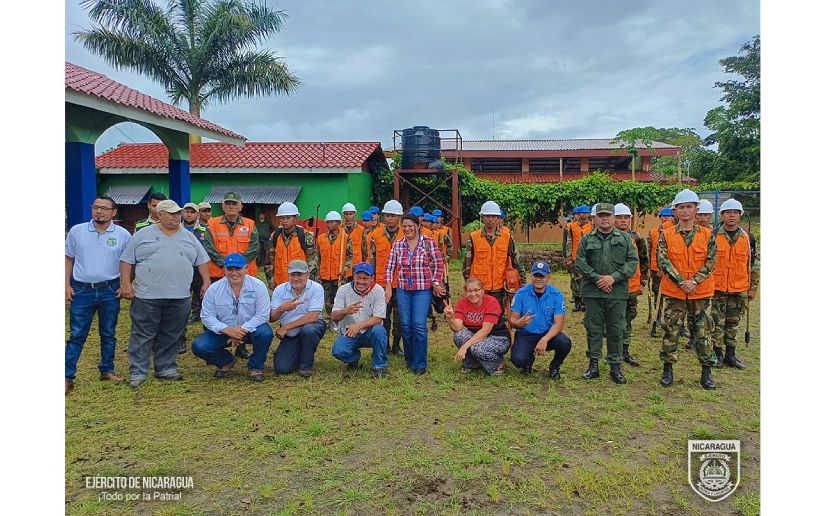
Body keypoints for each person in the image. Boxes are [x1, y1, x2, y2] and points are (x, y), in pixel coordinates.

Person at [119, 200, 211, 388]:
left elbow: (201, 261)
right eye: (171, 213)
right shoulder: (142, 235)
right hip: (147, 295)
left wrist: (206, 282)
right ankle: (138, 371)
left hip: (180, 295)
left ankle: (166, 368)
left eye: (178, 213)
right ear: (159, 215)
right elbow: (127, 260)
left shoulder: (189, 236)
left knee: (172, 334)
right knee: (143, 334)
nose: (177, 216)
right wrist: (126, 283)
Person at [65, 196, 132, 395]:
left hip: (110, 290)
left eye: (104, 208)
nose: (99, 212)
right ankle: (66, 377)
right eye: (95, 207)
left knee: (108, 333)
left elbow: (128, 262)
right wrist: (65, 284)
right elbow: (68, 258)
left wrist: (125, 283)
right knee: (77, 334)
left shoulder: (122, 235)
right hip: (82, 289)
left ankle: (107, 370)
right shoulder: (77, 231)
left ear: (114, 212)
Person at [657, 189, 718, 389]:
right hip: (675, 292)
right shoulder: (665, 235)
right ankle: (668, 369)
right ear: (675, 211)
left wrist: (695, 281)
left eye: (689, 207)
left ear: (696, 209)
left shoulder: (708, 235)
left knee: (703, 331)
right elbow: (663, 261)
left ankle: (706, 371)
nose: (685, 211)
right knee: (671, 330)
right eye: (681, 207)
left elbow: (711, 261)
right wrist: (682, 281)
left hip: (700, 292)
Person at [575, 203, 638, 384]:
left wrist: (613, 278)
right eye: (600, 215)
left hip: (617, 292)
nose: (604, 218)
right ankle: (593, 364)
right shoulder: (586, 239)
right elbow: (580, 262)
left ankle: (615, 365)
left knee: (616, 329)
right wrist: (597, 279)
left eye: (608, 215)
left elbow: (632, 262)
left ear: (613, 218)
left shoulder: (626, 239)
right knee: (593, 328)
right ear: (594, 219)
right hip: (593, 292)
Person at [192, 253, 274, 382]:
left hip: (251, 329)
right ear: (224, 270)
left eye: (238, 269)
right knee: (199, 346)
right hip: (224, 332)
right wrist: (226, 330)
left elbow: (263, 314)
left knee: (265, 333)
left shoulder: (258, 286)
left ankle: (256, 366)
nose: (234, 273)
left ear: (246, 268)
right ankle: (226, 361)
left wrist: (241, 330)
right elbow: (207, 316)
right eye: (230, 269)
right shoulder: (214, 289)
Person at [385, 213, 446, 374]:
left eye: (410, 226)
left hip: (422, 290)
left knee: (418, 325)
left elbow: (438, 264)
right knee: (405, 326)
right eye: (404, 226)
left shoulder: (428, 242)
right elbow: (390, 267)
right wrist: (389, 286)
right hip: (403, 290)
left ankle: (420, 364)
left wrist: (435, 282)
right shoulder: (398, 245)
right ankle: (410, 360)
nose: (407, 229)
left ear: (418, 226)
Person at [203, 192, 260, 359]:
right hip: (217, 274)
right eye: (227, 203)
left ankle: (241, 346)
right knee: (216, 310)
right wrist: (226, 265)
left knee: (244, 311)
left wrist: (238, 266)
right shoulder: (212, 224)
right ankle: (216, 345)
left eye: (234, 204)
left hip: (244, 276)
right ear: (222, 206)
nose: (231, 206)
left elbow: (254, 247)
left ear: (241, 206)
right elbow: (209, 246)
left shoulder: (250, 224)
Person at [709, 198, 759, 370]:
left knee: (733, 322)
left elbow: (754, 264)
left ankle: (731, 354)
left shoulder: (748, 238)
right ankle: (717, 354)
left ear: (740, 215)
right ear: (722, 215)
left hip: (739, 288)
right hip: (718, 287)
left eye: (735, 212)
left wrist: (753, 288)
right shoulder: (714, 235)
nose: (732, 215)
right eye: (728, 212)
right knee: (717, 322)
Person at [508, 260, 572, 379]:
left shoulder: (556, 295)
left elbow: (558, 324)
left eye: (542, 276)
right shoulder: (521, 293)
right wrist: (518, 323)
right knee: (518, 360)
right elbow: (512, 320)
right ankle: (528, 361)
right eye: (536, 275)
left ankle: (554, 367)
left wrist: (545, 339)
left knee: (565, 343)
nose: (538, 279)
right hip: (526, 334)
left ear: (548, 277)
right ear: (531, 276)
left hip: (547, 334)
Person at [463, 200, 526, 317]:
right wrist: (468, 282)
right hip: (479, 287)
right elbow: (467, 261)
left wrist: (522, 280)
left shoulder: (507, 237)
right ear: (482, 217)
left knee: (498, 316)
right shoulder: (474, 237)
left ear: (498, 218)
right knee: (478, 316)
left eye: (493, 216)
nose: (490, 219)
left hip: (500, 286)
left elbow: (517, 258)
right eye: (487, 216)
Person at [330, 262, 389, 377]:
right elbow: (334, 316)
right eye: (358, 277)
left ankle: (379, 366)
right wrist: (345, 311)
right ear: (353, 276)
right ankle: (354, 359)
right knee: (338, 351)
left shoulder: (378, 291)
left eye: (365, 278)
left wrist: (358, 326)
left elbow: (378, 318)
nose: (361, 281)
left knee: (379, 331)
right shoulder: (343, 290)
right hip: (349, 332)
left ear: (372, 278)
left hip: (369, 332)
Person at [269, 260, 326, 377]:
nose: (295, 278)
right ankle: (297, 350)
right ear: (288, 275)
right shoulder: (279, 290)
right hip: (291, 333)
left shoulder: (316, 288)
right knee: (282, 368)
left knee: (309, 330)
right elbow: (272, 318)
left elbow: (313, 316)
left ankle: (306, 365)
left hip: (312, 326)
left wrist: (286, 327)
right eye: (292, 275)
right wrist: (282, 308)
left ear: (308, 274)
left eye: (299, 274)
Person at [444, 278, 511, 375]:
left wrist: (464, 347)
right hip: (477, 337)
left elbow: (485, 331)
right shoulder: (462, 303)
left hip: (498, 338)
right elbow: (457, 328)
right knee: (459, 335)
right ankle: (473, 364)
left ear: (483, 290)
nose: (473, 294)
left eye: (476, 290)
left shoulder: (491, 302)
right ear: (465, 292)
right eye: (469, 291)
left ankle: (498, 364)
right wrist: (450, 318)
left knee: (478, 349)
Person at [613, 203, 649, 366]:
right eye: (619, 217)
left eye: (626, 218)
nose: (623, 221)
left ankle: (625, 351)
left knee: (628, 319)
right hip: (613, 289)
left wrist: (642, 284)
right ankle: (614, 353)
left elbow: (644, 262)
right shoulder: (607, 238)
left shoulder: (637, 238)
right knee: (614, 321)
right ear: (613, 219)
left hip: (632, 288)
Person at [369, 200, 405, 355]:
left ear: (399, 217)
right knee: (383, 316)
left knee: (400, 318)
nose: (389, 218)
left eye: (393, 215)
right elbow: (371, 258)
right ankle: (384, 345)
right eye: (387, 215)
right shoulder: (375, 235)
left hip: (403, 283)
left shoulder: (407, 235)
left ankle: (397, 345)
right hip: (382, 283)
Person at [270, 201, 318, 287]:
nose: (285, 221)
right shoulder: (275, 236)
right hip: (280, 284)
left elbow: (312, 261)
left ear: (295, 218)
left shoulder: (305, 236)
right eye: (282, 218)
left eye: (288, 218)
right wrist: (270, 279)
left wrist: (308, 281)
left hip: (300, 284)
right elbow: (270, 260)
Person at [181, 202, 208, 351]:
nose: (189, 214)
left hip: (200, 272)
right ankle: (181, 337)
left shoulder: (206, 230)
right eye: (186, 211)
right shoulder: (176, 230)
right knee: (182, 305)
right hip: (181, 273)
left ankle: (208, 334)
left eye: (192, 212)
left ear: (197, 214)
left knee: (205, 303)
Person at [317, 211, 353, 316]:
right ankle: (330, 318)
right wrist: (318, 273)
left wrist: (344, 270)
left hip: (339, 275)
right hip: (325, 275)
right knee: (327, 299)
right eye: (328, 222)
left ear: (338, 223)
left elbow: (350, 257)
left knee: (340, 298)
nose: (330, 224)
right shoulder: (321, 238)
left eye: (333, 222)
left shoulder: (345, 238)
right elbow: (317, 257)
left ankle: (340, 318)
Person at [647, 206, 674, 336]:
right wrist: (651, 268)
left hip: (672, 272)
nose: (666, 218)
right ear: (660, 218)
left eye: (669, 216)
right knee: (658, 294)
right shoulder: (653, 233)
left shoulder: (675, 232)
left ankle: (669, 320)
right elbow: (649, 250)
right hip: (655, 270)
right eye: (664, 216)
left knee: (671, 297)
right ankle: (656, 318)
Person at [562, 205, 593, 311]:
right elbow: (569, 242)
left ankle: (585, 303)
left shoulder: (593, 226)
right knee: (575, 281)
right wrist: (568, 256)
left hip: (588, 258)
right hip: (575, 258)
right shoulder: (571, 226)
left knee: (587, 280)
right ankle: (577, 302)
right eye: (582, 213)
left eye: (586, 213)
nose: (584, 215)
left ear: (589, 214)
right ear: (578, 214)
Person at [341, 203, 367, 281]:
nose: (348, 216)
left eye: (350, 214)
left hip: (356, 267)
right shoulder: (339, 229)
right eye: (346, 214)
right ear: (343, 215)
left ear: (354, 214)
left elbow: (364, 250)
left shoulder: (362, 230)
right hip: (343, 268)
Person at [255, 212, 275, 285]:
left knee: (267, 252)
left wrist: (271, 236)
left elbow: (274, 229)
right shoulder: (256, 223)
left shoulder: (267, 223)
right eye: (260, 214)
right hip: (258, 240)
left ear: (264, 216)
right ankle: (259, 264)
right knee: (259, 252)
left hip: (266, 240)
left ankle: (265, 264)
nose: (261, 215)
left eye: (263, 214)